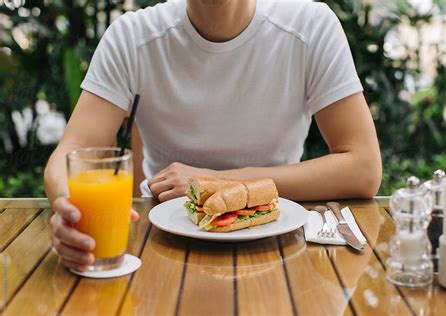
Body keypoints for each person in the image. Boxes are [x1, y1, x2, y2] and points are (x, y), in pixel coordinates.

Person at [44, 0, 382, 271]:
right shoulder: (133, 36)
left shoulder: (310, 26)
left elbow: (363, 167)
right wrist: (67, 208)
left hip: (280, 247)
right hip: (160, 246)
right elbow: (72, 152)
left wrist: (218, 182)